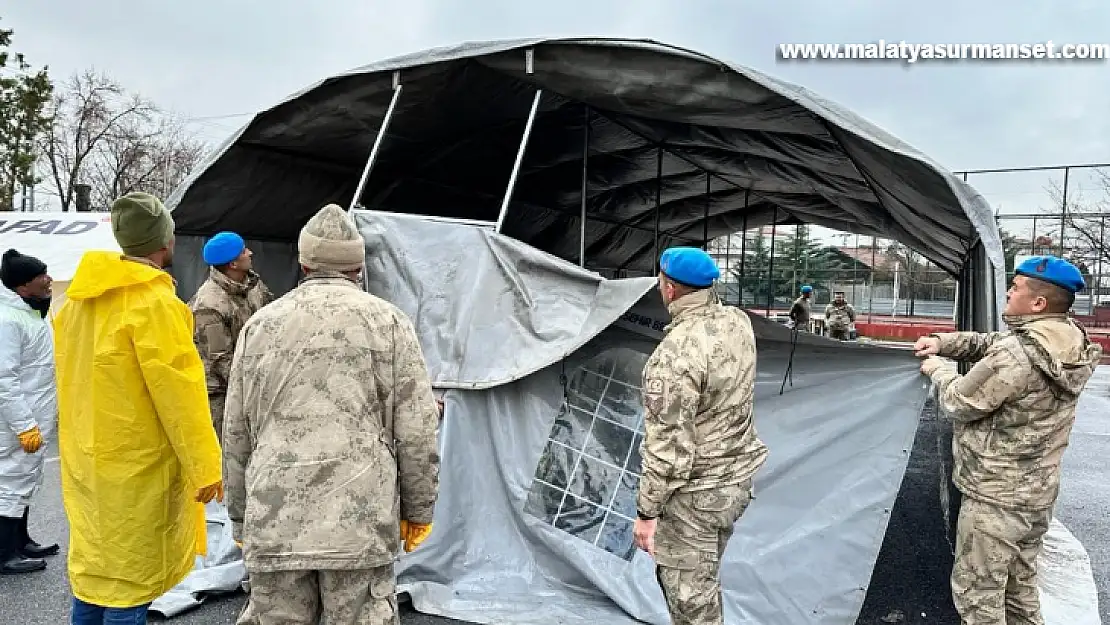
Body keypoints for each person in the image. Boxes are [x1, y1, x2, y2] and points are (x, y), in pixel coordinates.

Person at [223, 203, 441, 625]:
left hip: (275, 515)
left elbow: (237, 432)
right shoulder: (389, 323)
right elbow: (416, 429)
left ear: (303, 263)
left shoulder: (260, 326)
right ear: (358, 266)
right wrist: (419, 511)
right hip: (358, 519)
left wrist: (238, 514)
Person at [53, 191, 224, 624]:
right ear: (166, 242)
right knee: (130, 583)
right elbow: (180, 395)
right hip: (138, 464)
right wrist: (206, 467)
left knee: (95, 572)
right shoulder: (156, 305)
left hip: (86, 458)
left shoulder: (76, 303)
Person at [914, 255, 1102, 625]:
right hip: (1035, 496)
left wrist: (938, 367)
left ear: (1038, 303)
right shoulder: (1068, 339)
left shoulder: (1018, 354)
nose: (1008, 294)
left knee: (977, 597)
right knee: (1020, 590)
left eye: (1015, 289)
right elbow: (989, 343)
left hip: (995, 499)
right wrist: (942, 341)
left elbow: (958, 401)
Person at [632, 246, 768, 625]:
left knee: (691, 603)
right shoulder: (738, 322)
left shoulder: (674, 354)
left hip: (695, 497)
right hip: (735, 483)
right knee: (704, 581)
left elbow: (668, 449)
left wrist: (647, 513)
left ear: (670, 289)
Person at [0, 249, 58, 575]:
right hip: (15, 420)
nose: (49, 279)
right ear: (23, 287)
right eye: (42, 276)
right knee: (9, 481)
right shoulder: (7, 320)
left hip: (32, 414)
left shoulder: (30, 313)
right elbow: (3, 379)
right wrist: (23, 425)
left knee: (24, 479)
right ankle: (5, 553)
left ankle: (20, 541)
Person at [189, 231, 273, 442]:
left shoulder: (253, 285)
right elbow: (220, 360)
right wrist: (258, 388)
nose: (250, 253)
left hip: (254, 382)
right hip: (224, 396)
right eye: (244, 251)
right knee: (229, 455)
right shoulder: (209, 305)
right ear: (233, 264)